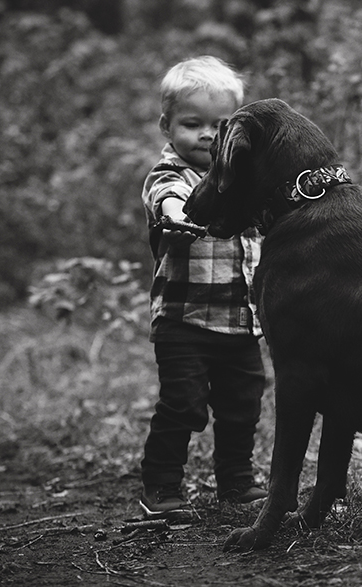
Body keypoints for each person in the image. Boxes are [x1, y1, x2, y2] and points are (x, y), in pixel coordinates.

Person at [138, 56, 267, 518]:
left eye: (220, 125)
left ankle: (235, 482)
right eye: (192, 124)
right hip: (184, 321)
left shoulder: (242, 183)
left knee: (242, 409)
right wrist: (174, 215)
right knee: (183, 406)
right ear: (167, 126)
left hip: (240, 323)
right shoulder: (171, 175)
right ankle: (160, 487)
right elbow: (165, 197)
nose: (208, 135)